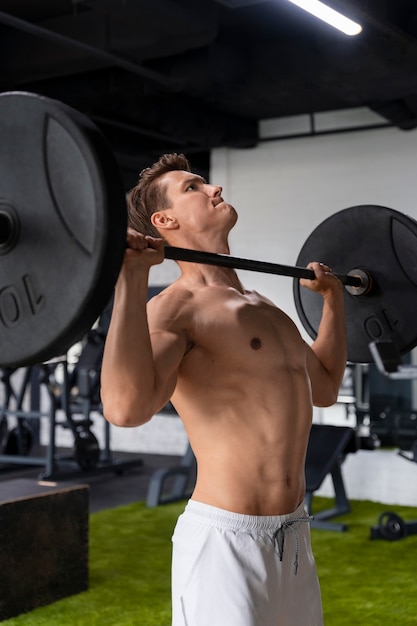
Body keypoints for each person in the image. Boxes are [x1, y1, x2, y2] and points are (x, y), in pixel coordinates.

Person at [100, 153, 347, 626]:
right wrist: (131, 279)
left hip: (294, 535)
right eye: (194, 187)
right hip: (224, 543)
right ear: (164, 220)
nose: (213, 189)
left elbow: (326, 387)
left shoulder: (266, 309)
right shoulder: (176, 310)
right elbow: (125, 409)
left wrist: (334, 303)